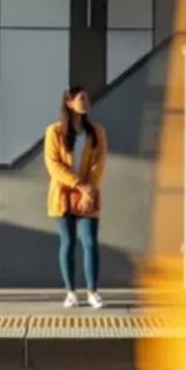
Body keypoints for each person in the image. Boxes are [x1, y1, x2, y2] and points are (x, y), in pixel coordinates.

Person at [44, 86, 107, 308]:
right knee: (68, 243)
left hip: (88, 194)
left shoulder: (96, 131)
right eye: (81, 97)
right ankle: (71, 292)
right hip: (63, 195)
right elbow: (54, 165)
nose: (86, 101)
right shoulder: (54, 132)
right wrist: (79, 185)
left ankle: (93, 292)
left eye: (87, 97)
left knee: (90, 242)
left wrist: (88, 189)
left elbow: (99, 163)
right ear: (69, 103)